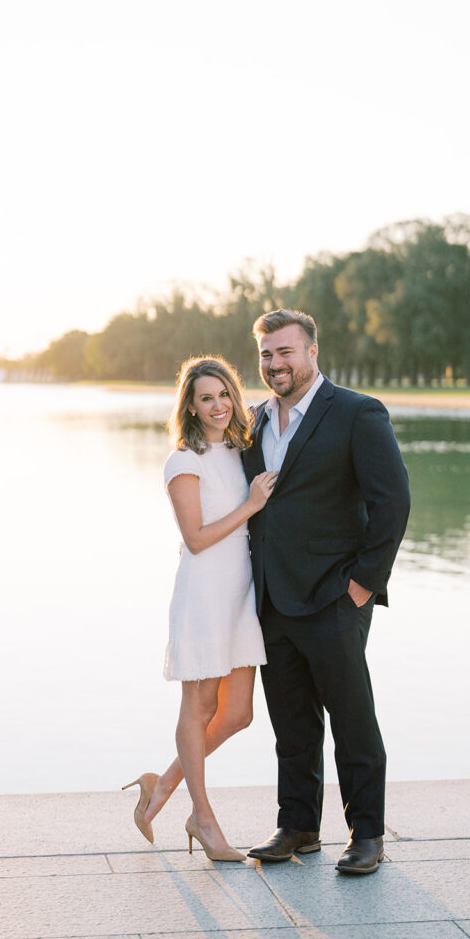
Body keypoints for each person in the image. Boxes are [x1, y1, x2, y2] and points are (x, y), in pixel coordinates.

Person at [243, 309, 411, 875]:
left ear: (313, 351)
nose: (275, 364)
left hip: (333, 595)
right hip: (270, 597)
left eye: (285, 352)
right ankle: (299, 827)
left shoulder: (358, 413)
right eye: (267, 354)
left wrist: (363, 584)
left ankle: (367, 834)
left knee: (352, 717)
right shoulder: (254, 421)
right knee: (289, 719)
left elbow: (392, 501)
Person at [123, 356, 277, 862]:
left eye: (224, 395)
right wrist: (251, 506)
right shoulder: (183, 460)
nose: (217, 406)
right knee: (201, 707)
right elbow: (195, 539)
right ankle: (204, 819)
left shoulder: (238, 451)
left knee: (238, 713)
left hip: (239, 595)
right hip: (204, 596)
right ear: (190, 405)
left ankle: (161, 785)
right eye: (206, 397)